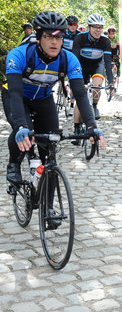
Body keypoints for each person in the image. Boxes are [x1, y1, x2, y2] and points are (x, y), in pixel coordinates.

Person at [3, 11, 106, 190]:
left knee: (49, 155)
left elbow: (80, 95)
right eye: (48, 37)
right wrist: (20, 125)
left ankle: (49, 210)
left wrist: (91, 126)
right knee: (23, 130)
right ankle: (14, 163)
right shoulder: (19, 55)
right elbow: (15, 94)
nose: (54, 42)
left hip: (43, 98)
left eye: (59, 38)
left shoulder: (69, 59)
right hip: (17, 97)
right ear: (38, 37)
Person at [72, 13, 115, 129]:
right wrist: (73, 82)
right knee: (80, 96)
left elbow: (107, 63)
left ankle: (95, 106)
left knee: (96, 87)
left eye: (100, 27)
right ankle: (76, 128)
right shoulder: (80, 38)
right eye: (95, 27)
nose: (98, 30)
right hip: (81, 65)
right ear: (89, 28)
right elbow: (74, 60)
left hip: (97, 65)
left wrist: (111, 83)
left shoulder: (105, 41)